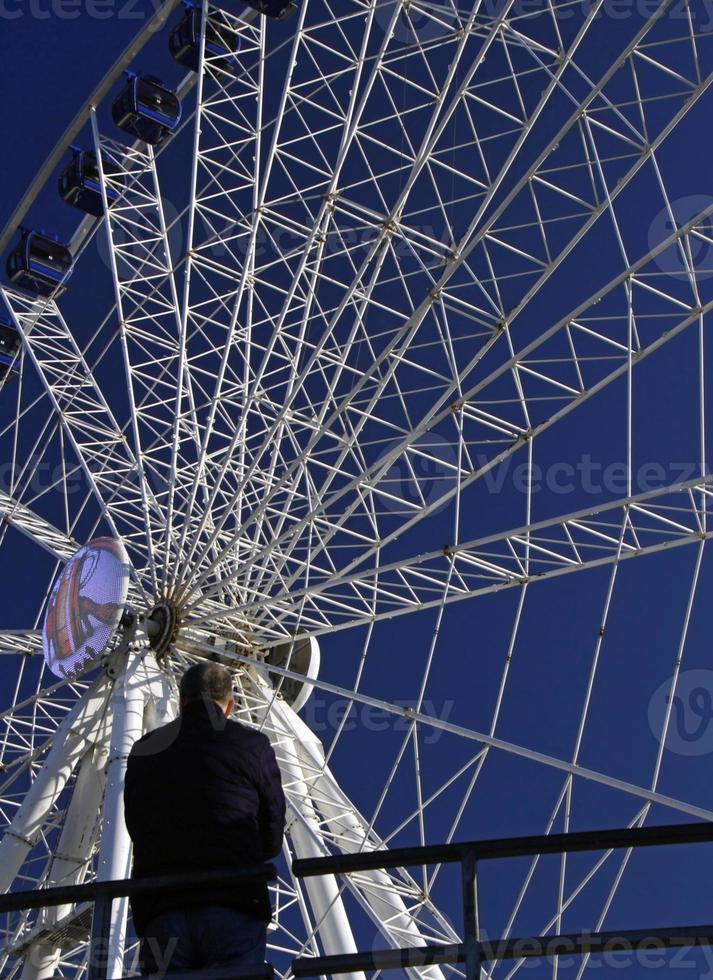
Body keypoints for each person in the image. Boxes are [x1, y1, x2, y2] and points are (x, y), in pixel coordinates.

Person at [124, 661, 286, 974]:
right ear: (230, 706)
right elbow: (272, 832)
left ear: (181, 701)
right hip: (233, 898)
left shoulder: (144, 749)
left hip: (160, 905)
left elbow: (136, 822)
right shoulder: (252, 744)